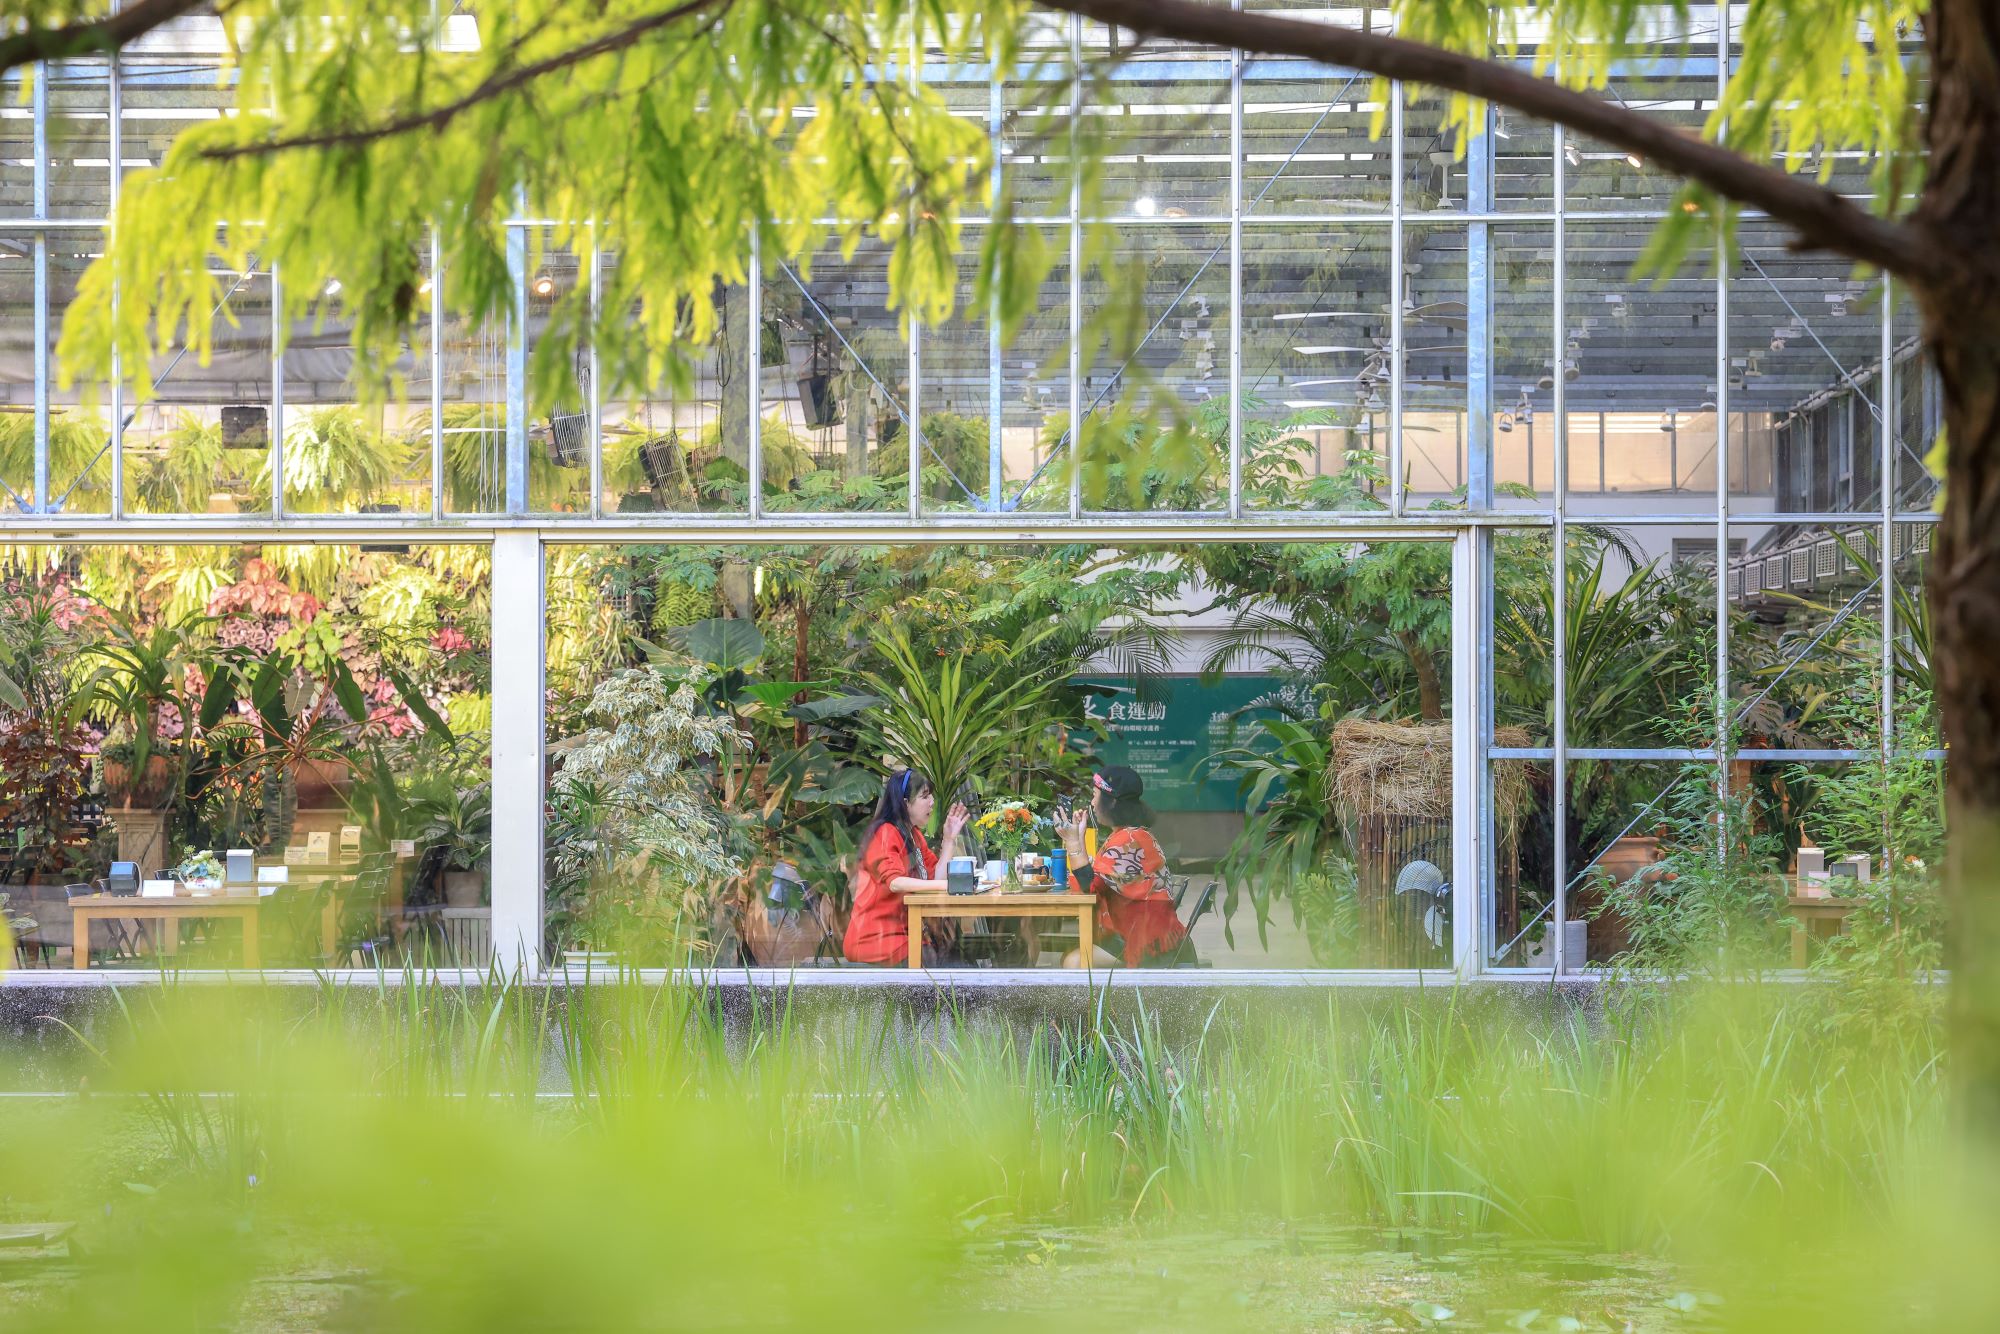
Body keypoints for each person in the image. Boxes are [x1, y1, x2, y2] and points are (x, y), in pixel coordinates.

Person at [1058, 766, 1191, 967]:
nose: (1092, 803)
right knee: (1071, 956)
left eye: (1095, 796)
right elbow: (1093, 883)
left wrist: (1074, 842)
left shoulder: (1129, 840)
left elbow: (1088, 885)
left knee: (1073, 962)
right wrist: (1078, 837)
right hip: (1141, 932)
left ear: (1111, 802)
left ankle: (1097, 1000)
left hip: (1146, 941)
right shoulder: (1129, 835)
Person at [842, 768, 969, 966]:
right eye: (924, 796)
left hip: (905, 937)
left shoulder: (914, 835)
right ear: (905, 803)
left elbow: (937, 878)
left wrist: (949, 839)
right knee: (949, 967)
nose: (932, 802)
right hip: (876, 941)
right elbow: (895, 882)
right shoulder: (886, 833)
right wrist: (947, 887)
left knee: (956, 963)